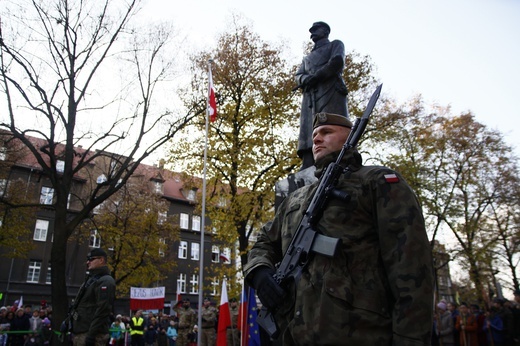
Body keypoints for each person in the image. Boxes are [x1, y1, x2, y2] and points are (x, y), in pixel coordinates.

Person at [244, 112, 434, 345]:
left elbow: (411, 267)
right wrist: (259, 271)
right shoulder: (295, 199)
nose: (316, 139)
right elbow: (263, 241)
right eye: (314, 135)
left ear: (349, 137)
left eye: (327, 132)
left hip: (361, 334)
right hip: (294, 335)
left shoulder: (377, 182)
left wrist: (410, 338)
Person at [294, 22, 349, 170]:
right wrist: (305, 79)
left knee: (332, 123)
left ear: (325, 31)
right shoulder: (307, 59)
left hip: (330, 89)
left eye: (315, 30)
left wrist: (317, 76)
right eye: (311, 31)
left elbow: (337, 61)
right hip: (310, 95)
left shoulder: (335, 45)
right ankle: (308, 161)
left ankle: (339, 156)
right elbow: (298, 75)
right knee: (308, 127)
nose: (312, 33)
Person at [71, 248, 116, 346]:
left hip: (93, 335)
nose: (88, 262)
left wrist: (91, 335)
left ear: (101, 260)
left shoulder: (105, 281)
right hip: (82, 332)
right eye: (88, 259)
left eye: (91, 259)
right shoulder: (91, 280)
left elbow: (103, 310)